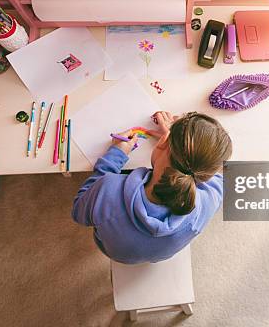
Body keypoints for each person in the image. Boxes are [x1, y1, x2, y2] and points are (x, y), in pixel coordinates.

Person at [72, 111, 232, 264]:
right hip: (156, 255)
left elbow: (78, 211)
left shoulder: (108, 190)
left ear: (163, 142)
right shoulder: (206, 205)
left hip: (112, 251)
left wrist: (115, 156)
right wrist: (184, 148)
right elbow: (220, 175)